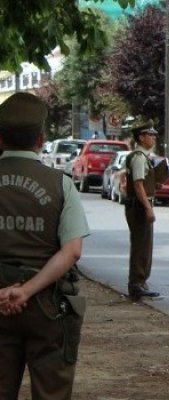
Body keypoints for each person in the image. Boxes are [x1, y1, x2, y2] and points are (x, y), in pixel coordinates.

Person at [0, 92, 90, 399]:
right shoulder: (60, 183)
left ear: (0, 139)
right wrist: (25, 290)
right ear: (41, 138)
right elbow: (72, 250)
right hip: (48, 306)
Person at [124, 120, 160, 301]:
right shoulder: (139, 157)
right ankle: (137, 284)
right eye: (150, 135)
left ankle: (141, 282)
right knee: (141, 246)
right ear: (141, 137)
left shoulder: (143, 156)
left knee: (144, 246)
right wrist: (148, 208)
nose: (154, 137)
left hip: (139, 205)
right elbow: (138, 185)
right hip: (138, 207)